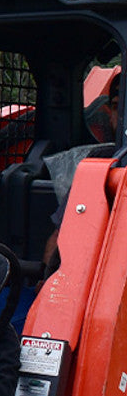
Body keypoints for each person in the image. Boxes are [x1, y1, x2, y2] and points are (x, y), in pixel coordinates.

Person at [43, 69, 120, 272]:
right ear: (108, 112)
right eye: (117, 106)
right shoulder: (99, 164)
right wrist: (48, 282)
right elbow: (62, 234)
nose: (121, 116)